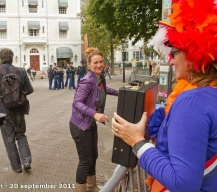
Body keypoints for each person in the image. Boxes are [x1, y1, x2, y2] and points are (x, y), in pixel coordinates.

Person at [112, 1, 217, 191]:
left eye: (175, 52)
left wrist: (137, 142)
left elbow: (183, 184)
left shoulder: (191, 102)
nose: (171, 60)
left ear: (195, 54)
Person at [70, 47, 118, 192]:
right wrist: (95, 114)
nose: (99, 65)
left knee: (94, 156)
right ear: (89, 65)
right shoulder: (87, 81)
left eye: (101, 62)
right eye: (95, 63)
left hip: (90, 124)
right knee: (85, 160)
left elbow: (103, 90)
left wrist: (120, 92)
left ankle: (91, 185)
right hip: (80, 126)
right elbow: (76, 103)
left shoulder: (100, 77)